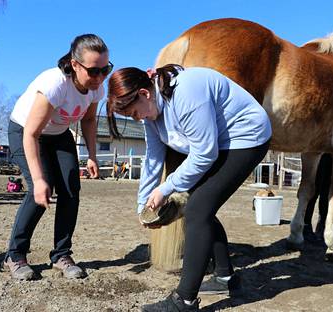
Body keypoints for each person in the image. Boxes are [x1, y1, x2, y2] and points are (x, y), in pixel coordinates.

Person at [107, 65, 272, 311]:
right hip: (219, 144)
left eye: (134, 113)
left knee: (196, 209)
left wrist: (166, 188)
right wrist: (143, 202)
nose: (137, 118)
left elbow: (204, 154)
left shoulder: (187, 92)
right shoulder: (151, 114)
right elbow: (153, 158)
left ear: (145, 93)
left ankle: (184, 301)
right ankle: (225, 277)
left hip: (246, 137)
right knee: (200, 206)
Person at [3, 34, 112, 281]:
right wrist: (39, 180)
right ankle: (15, 254)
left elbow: (88, 119)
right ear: (75, 64)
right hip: (26, 131)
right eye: (94, 71)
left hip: (59, 134)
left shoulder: (97, 87)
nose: (100, 77)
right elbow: (31, 133)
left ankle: (61, 254)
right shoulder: (55, 84)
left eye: (105, 69)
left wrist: (92, 155)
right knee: (40, 188)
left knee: (71, 188)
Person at [303, 153, 333, 242]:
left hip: (332, 154)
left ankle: (322, 226)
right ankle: (306, 225)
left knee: (326, 192)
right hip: (319, 152)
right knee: (314, 189)